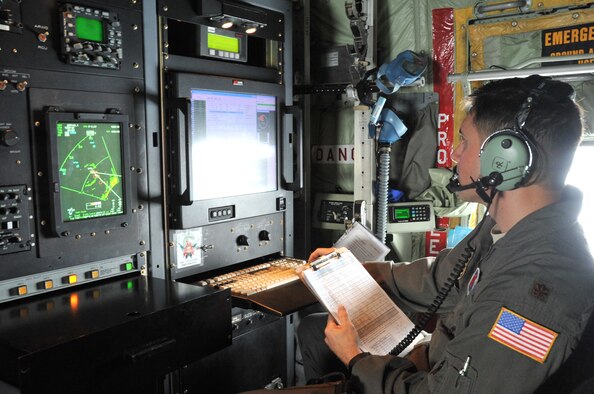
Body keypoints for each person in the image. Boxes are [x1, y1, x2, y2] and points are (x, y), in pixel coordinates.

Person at [297, 75, 594, 393]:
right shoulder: (508, 227)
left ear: (505, 160)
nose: (454, 155)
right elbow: (443, 278)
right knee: (315, 329)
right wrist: (359, 272)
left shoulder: (532, 296)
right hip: (439, 359)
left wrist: (356, 358)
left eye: (464, 141)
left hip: (441, 379)